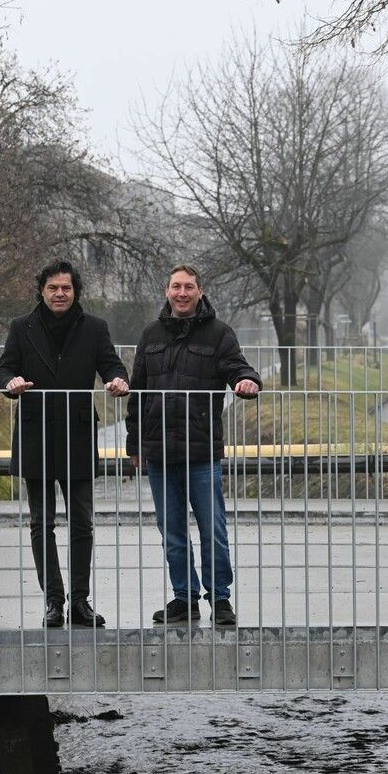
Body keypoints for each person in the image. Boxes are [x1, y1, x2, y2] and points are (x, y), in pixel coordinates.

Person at [0, 261, 129, 628]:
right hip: (36, 436)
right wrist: (12, 383)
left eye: (65, 288)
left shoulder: (95, 328)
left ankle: (80, 602)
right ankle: (54, 602)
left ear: (75, 292)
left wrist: (118, 380)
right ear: (42, 291)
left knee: (82, 523)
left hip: (78, 435)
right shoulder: (22, 328)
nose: (59, 294)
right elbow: (3, 371)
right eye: (52, 288)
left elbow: (113, 367)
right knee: (42, 523)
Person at [125, 265, 261, 626]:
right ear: (166, 291)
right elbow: (137, 391)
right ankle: (184, 598)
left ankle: (220, 598)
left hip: (201, 453)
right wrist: (133, 442)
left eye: (188, 287)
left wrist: (247, 381)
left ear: (200, 291)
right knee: (171, 531)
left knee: (212, 528)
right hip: (158, 453)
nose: (181, 293)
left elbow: (239, 368)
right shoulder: (150, 334)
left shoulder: (219, 333)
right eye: (175, 287)